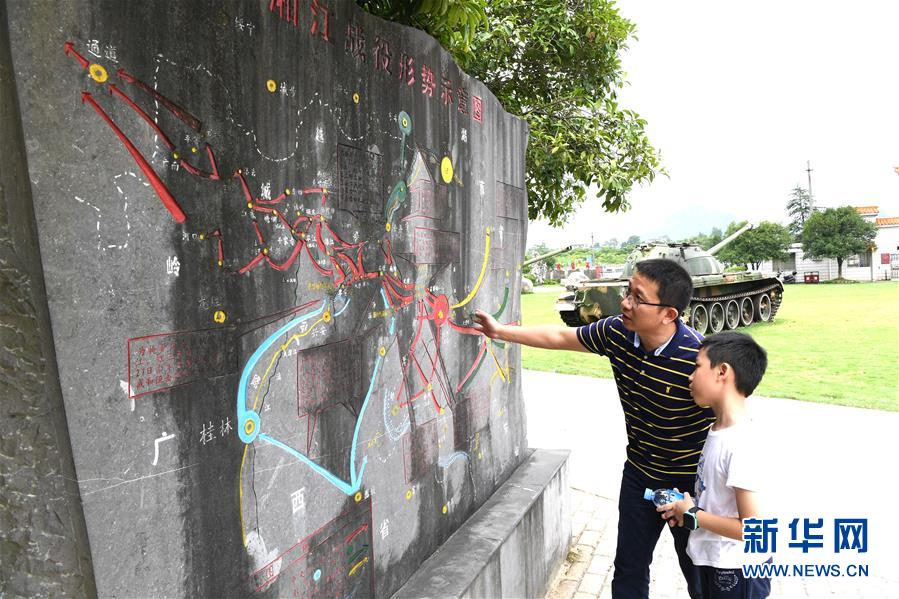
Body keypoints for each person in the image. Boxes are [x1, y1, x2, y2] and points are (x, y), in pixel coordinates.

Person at [474, 258, 713, 599]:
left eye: (637, 297)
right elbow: (560, 336)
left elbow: (728, 424)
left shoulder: (697, 359)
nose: (625, 303)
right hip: (640, 476)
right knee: (628, 569)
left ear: (668, 314)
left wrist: (711, 501)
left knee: (700, 573)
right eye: (627, 291)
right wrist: (500, 331)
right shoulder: (617, 332)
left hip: (689, 486)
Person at [657, 332, 771, 599]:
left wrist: (695, 515)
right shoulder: (718, 430)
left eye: (697, 366)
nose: (690, 376)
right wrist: (684, 510)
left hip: (736, 570)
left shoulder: (742, 442)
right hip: (714, 561)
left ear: (722, 372)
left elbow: (754, 530)